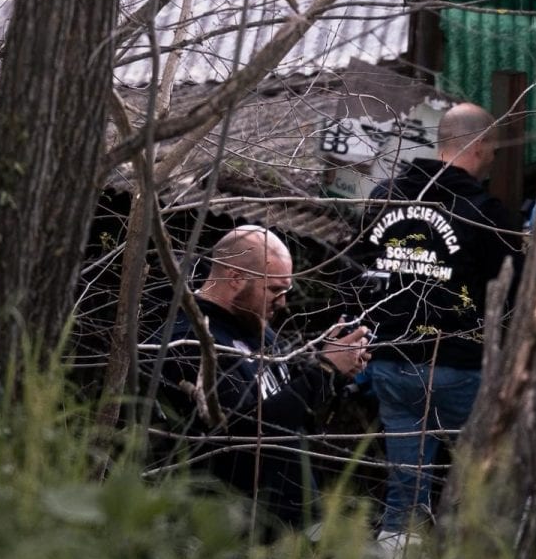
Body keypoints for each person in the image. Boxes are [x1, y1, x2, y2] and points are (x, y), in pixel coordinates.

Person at [355, 103, 523, 545]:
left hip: (391, 365)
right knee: (483, 488)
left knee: (405, 495)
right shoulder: (486, 213)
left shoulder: (384, 197)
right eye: (493, 149)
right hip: (461, 371)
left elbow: (357, 275)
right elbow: (513, 295)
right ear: (483, 145)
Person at [149, 225, 371, 533]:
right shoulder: (189, 342)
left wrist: (335, 372)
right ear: (236, 278)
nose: (282, 302)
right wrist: (323, 369)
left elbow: (288, 409)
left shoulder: (255, 326)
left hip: (290, 524)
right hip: (233, 529)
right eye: (275, 290)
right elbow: (242, 433)